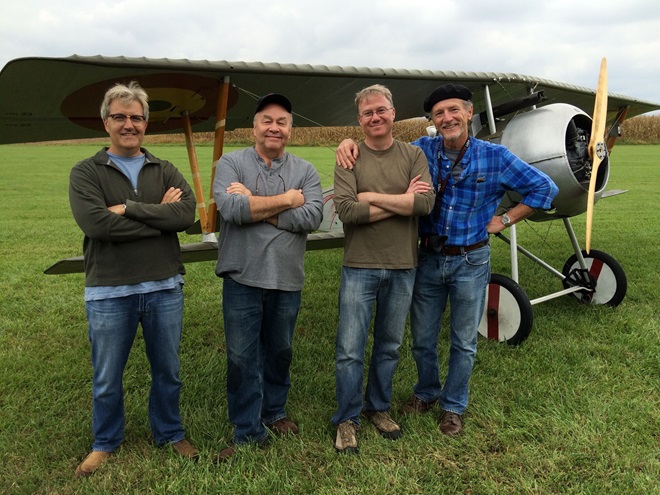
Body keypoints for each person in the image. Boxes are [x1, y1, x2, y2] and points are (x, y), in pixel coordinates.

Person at [336, 83, 558, 437]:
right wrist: (347, 143)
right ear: (432, 120)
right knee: (422, 338)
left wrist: (504, 219)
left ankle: (453, 406)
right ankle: (426, 393)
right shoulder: (421, 151)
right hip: (426, 256)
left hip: (470, 259)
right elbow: (380, 145)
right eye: (439, 113)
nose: (447, 118)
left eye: (454, 110)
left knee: (463, 340)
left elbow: (545, 188)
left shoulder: (495, 157)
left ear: (470, 113)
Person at [69, 81, 198, 477]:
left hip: (164, 287)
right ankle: (105, 442)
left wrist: (126, 208)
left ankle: (170, 432)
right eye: (120, 117)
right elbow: (97, 225)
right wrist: (158, 218)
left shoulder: (164, 168)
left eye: (137, 117)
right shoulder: (86, 172)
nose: (129, 124)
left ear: (146, 123)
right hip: (109, 291)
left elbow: (187, 215)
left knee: (168, 371)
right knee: (107, 376)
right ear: (106, 122)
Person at [213, 93, 323, 462]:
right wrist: (288, 200)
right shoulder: (230, 163)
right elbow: (231, 209)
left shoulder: (305, 171)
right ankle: (247, 429)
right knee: (242, 358)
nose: (274, 127)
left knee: (280, 352)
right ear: (255, 126)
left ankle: (274, 412)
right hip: (242, 276)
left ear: (290, 129)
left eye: (282, 121)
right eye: (267, 120)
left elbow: (312, 218)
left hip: (287, 278)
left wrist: (257, 204)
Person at [331, 84, 435, 454]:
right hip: (359, 265)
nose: (375, 117)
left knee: (389, 346)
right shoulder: (349, 157)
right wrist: (401, 201)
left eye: (381, 110)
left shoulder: (413, 155)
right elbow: (347, 211)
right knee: (350, 348)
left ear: (393, 113)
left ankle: (378, 407)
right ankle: (347, 418)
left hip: (403, 264)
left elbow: (424, 204)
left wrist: (372, 197)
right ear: (359, 120)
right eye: (367, 113)